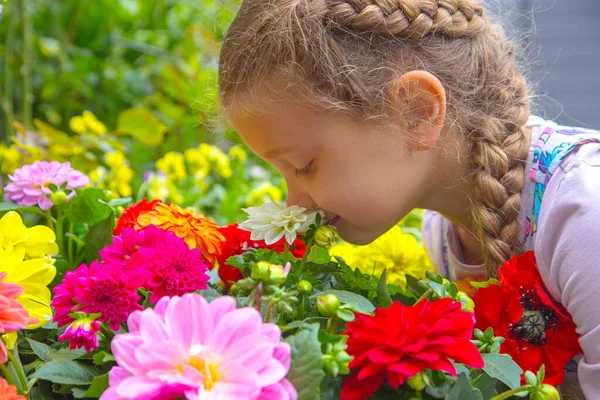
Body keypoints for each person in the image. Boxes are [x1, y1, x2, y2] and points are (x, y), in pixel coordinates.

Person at [217, 0, 600, 397]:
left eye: (304, 165)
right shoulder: (445, 234)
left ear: (417, 112)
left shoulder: (583, 215)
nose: (294, 202)